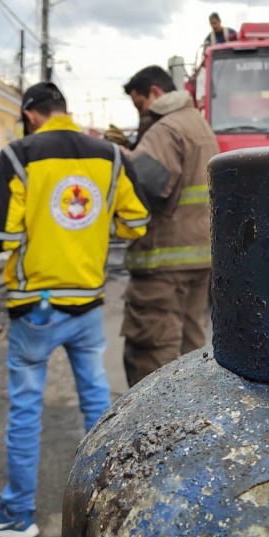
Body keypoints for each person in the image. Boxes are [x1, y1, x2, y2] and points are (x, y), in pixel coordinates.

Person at [0, 81, 149, 537]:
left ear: (32, 113)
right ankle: (108, 507)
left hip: (36, 306)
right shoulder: (109, 156)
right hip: (88, 302)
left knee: (26, 409)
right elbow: (135, 222)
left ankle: (17, 516)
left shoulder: (18, 156)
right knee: (96, 403)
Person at [118, 64, 220, 387]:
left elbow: (145, 186)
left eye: (138, 103)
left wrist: (122, 156)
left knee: (152, 353)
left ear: (155, 93)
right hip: (199, 258)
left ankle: (150, 432)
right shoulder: (199, 125)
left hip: (163, 263)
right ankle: (191, 426)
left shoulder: (165, 130)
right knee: (191, 351)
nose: (139, 112)